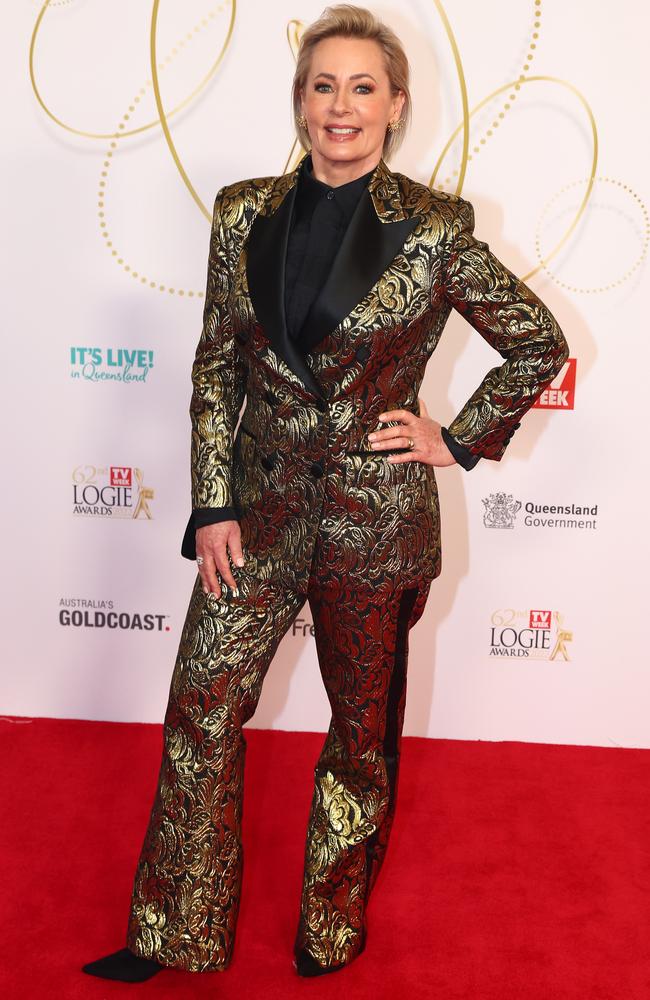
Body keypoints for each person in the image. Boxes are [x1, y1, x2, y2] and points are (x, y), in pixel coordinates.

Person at [82, 2, 569, 983]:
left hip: (372, 522)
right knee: (201, 707)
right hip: (253, 513)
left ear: (392, 105)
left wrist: (457, 436)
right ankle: (176, 928)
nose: (338, 106)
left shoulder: (434, 231)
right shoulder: (240, 211)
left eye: (360, 87)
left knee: (358, 733)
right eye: (321, 85)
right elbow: (216, 367)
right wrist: (211, 504)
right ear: (299, 101)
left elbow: (536, 343)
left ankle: (329, 925)